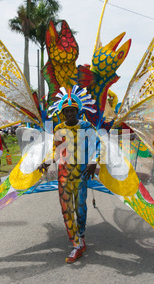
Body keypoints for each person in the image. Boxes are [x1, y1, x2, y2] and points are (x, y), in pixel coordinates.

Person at [39, 86, 99, 263]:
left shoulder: (87, 126)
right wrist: (47, 162)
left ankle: (81, 236)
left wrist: (93, 162)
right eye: (67, 111)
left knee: (80, 208)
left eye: (73, 110)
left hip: (81, 174)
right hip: (64, 174)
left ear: (78, 111)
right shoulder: (58, 128)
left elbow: (98, 146)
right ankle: (76, 245)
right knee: (66, 208)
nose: (70, 113)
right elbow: (56, 152)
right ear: (63, 113)